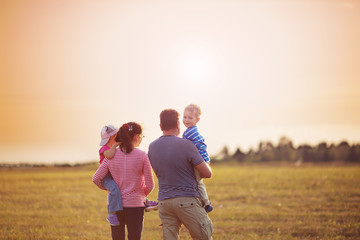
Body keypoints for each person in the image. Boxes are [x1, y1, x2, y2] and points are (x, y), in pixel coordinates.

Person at [148, 109, 214, 240]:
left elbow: (158, 174)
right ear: (178, 124)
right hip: (188, 201)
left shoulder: (152, 147)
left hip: (164, 203)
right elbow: (207, 173)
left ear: (160, 126)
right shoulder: (187, 145)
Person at [93, 122, 155, 240]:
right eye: (142, 136)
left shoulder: (111, 155)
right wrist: (141, 195)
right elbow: (150, 184)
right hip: (135, 205)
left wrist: (111, 189)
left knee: (117, 237)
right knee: (134, 237)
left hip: (114, 206)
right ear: (137, 137)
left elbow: (96, 178)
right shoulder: (142, 155)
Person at [182, 104, 213, 212]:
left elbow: (185, 146)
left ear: (197, 119)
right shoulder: (192, 131)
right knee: (197, 181)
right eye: (185, 117)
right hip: (202, 159)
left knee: (198, 182)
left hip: (199, 160)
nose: (186, 120)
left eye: (190, 118)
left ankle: (206, 203)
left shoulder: (190, 132)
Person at [98, 125, 123, 226]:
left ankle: (145, 201)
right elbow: (109, 155)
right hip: (105, 176)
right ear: (113, 137)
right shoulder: (104, 149)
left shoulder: (115, 149)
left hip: (113, 174)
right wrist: (114, 146)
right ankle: (111, 214)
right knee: (114, 188)